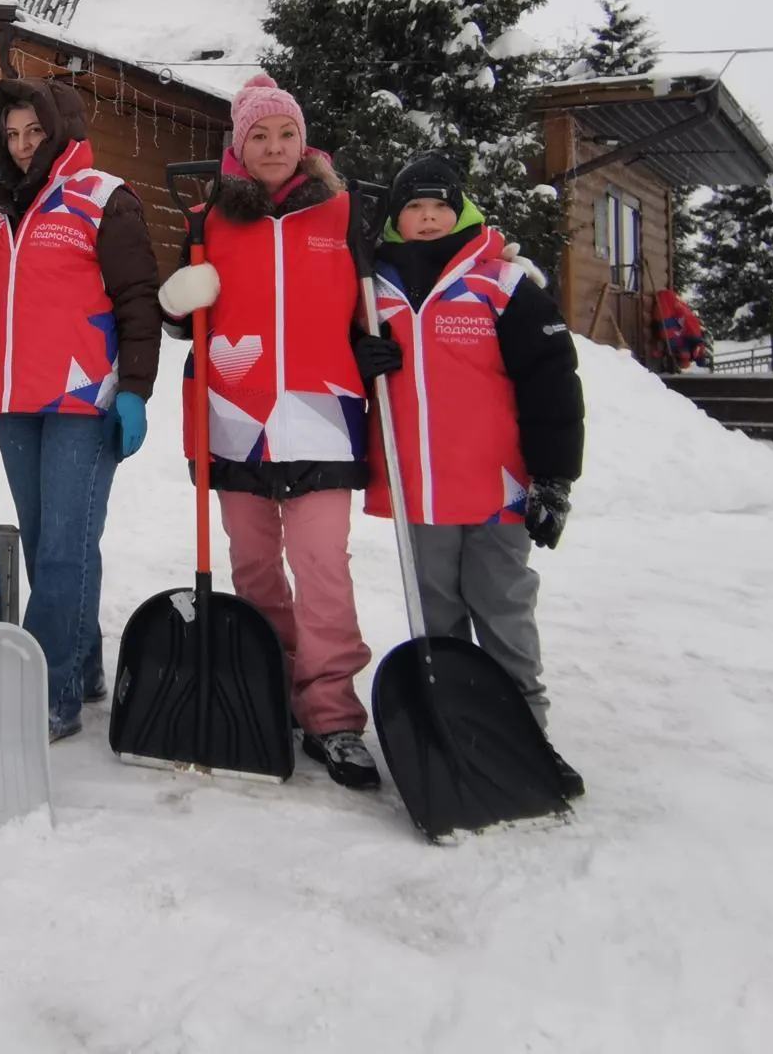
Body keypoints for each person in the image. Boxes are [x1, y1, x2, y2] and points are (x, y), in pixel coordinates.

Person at [156, 74, 396, 790]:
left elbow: (382, 298)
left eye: (285, 133)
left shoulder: (343, 213)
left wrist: (376, 345)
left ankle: (332, 714)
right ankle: (275, 684)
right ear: (238, 145)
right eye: (258, 135)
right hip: (236, 420)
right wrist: (177, 303)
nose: (273, 147)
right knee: (256, 567)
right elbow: (187, 321)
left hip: (324, 416)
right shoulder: (209, 219)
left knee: (323, 565)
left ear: (303, 141)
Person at [363, 152, 587, 798]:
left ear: (461, 210)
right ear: (397, 218)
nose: (429, 217)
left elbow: (552, 382)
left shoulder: (503, 283)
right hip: (422, 488)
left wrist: (554, 478)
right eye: (415, 207)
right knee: (434, 614)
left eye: (440, 205)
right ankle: (452, 730)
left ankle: (527, 736)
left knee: (502, 605)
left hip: (497, 489)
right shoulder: (373, 287)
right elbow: (344, 366)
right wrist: (360, 355)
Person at [0, 77, 160, 742]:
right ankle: (83, 663)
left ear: (60, 131)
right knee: (49, 542)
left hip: (84, 396)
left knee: (62, 549)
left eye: (34, 132)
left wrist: (135, 387)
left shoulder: (104, 197)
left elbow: (138, 297)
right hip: (15, 400)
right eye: (12, 134)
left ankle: (49, 691)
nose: (23, 145)